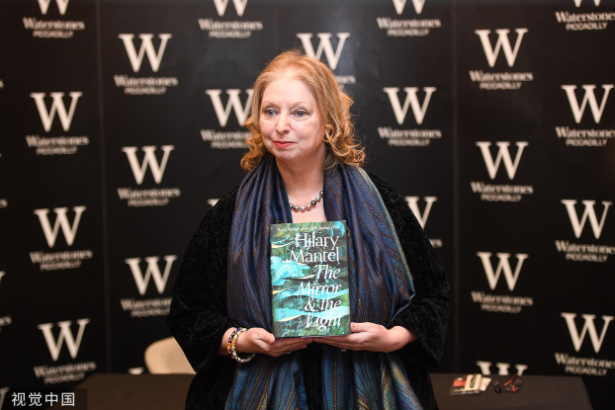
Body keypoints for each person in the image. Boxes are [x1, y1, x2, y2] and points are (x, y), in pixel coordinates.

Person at [167, 50, 450, 410]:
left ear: (328, 123)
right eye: (271, 111)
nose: (281, 126)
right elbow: (188, 313)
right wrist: (243, 340)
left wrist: (392, 338)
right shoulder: (232, 213)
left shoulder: (381, 204)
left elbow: (433, 296)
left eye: (299, 112)